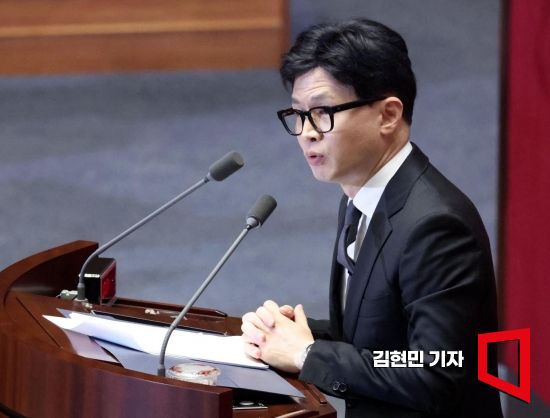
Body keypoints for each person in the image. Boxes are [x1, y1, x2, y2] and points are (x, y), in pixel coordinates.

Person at [240, 18, 503, 418]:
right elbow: (382, 336)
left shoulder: (436, 227)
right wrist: (291, 334)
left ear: (388, 115)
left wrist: (307, 354)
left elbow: (435, 370)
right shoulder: (359, 196)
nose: (307, 132)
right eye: (298, 114)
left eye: (322, 112)